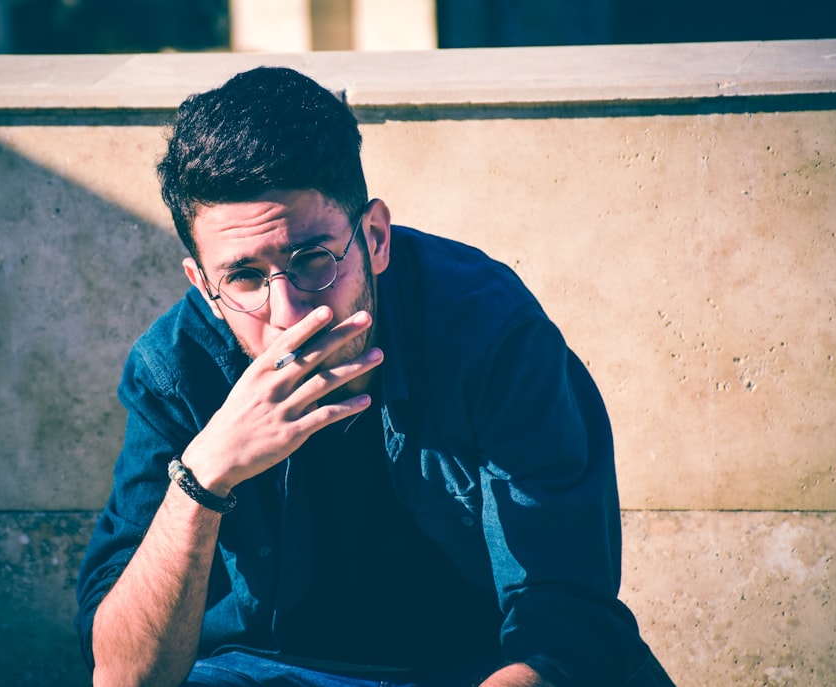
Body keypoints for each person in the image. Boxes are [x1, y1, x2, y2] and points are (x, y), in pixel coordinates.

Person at [75, 66, 676, 687]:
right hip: (263, 670)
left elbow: (565, 623)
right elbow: (124, 676)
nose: (288, 316)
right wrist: (205, 476)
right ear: (205, 286)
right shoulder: (176, 368)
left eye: (312, 259)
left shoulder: (488, 330)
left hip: (482, 665)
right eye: (246, 279)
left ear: (375, 237)